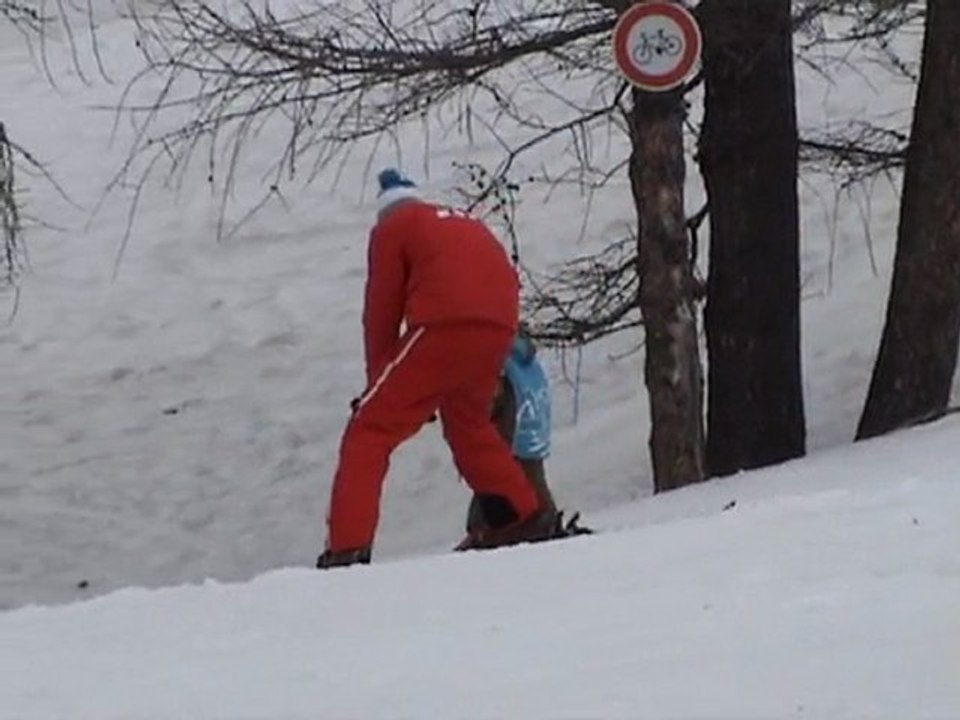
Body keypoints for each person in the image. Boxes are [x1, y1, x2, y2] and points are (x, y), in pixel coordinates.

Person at [316, 169, 562, 569]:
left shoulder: (392, 228)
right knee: (470, 428)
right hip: (499, 327)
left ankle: (347, 550)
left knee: (369, 430)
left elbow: (381, 311)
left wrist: (378, 385)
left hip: (442, 321)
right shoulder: (461, 221)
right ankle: (524, 519)